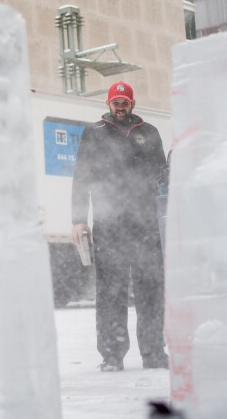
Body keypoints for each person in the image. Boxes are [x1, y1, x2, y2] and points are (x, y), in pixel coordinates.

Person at [71, 81, 168, 372]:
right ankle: (112, 356)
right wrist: (78, 219)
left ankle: (153, 354)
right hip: (109, 224)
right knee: (111, 291)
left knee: (150, 288)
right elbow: (81, 178)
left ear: (133, 104)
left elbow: (163, 176)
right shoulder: (94, 133)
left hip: (145, 223)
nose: (121, 106)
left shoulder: (149, 133)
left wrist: (168, 214)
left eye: (125, 102)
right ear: (108, 103)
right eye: (116, 102)